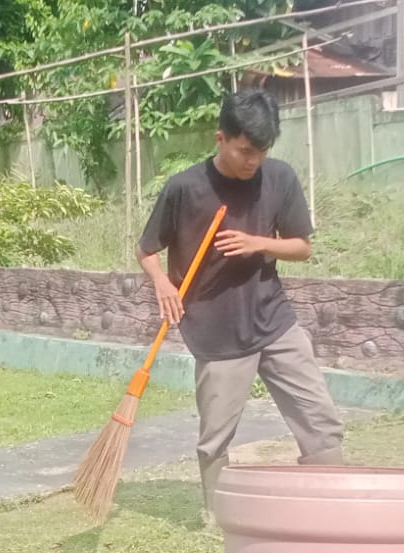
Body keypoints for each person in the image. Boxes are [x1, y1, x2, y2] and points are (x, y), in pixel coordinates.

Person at [137, 88, 345, 514]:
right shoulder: (184, 188)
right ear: (221, 139)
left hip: (274, 322)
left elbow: (302, 247)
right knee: (215, 439)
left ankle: (332, 503)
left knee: (320, 420)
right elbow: (146, 249)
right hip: (215, 332)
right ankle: (222, 517)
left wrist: (258, 243)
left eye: (262, 151)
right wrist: (162, 283)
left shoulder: (280, 178)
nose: (254, 161)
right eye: (245, 151)